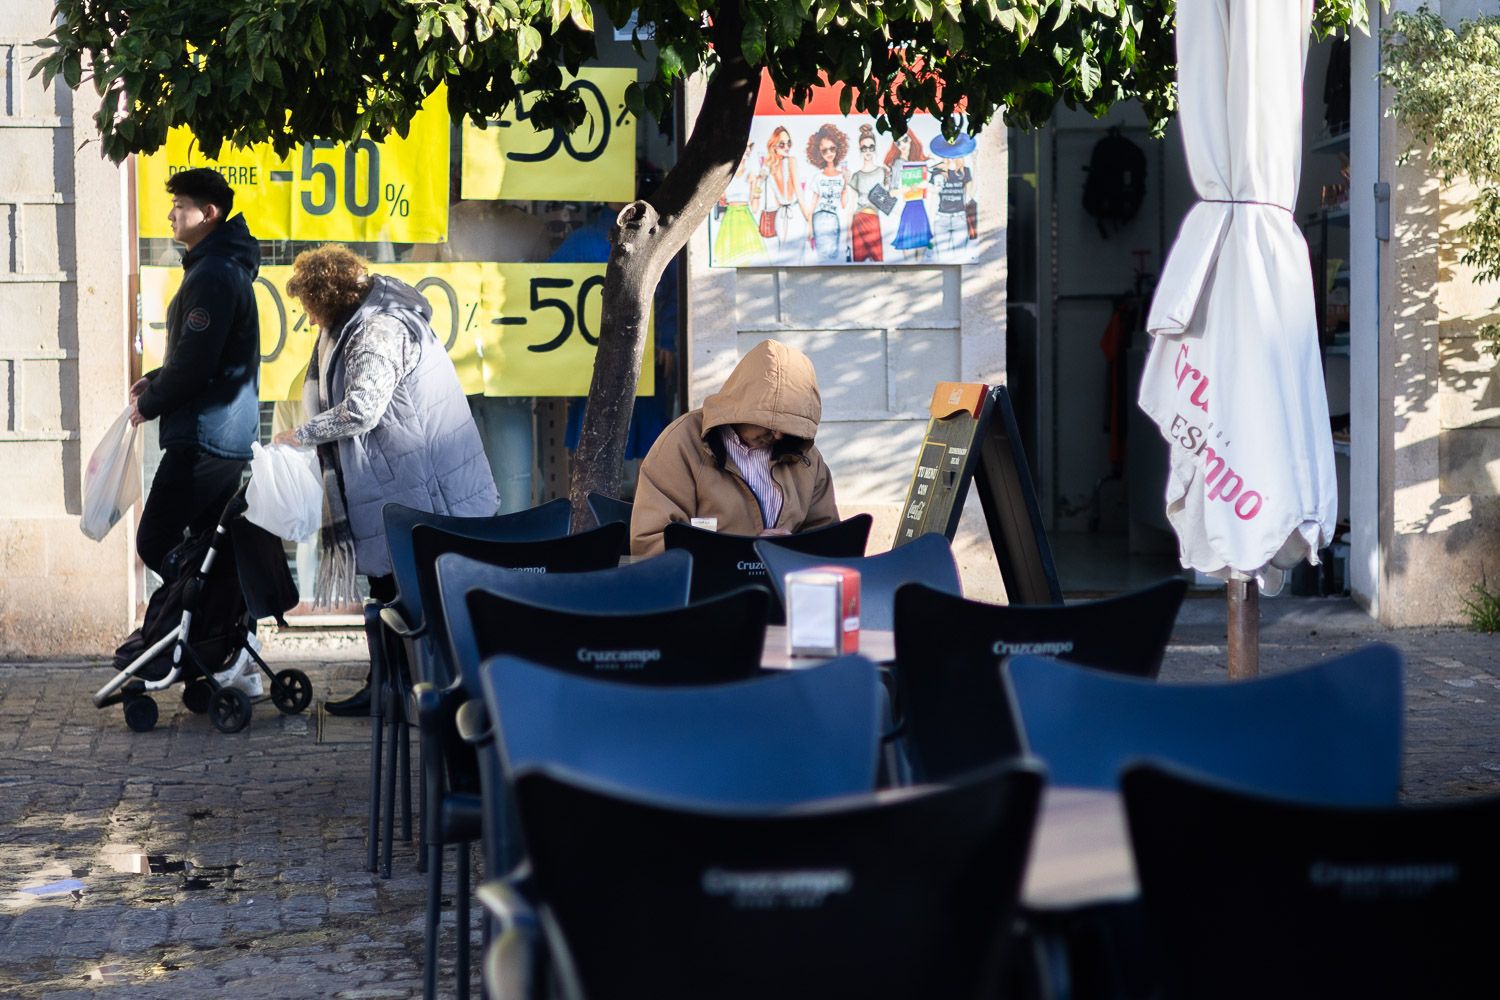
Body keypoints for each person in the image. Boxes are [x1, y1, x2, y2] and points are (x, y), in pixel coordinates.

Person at [272, 245, 498, 714]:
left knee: (406, 593)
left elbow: (362, 408)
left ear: (329, 299)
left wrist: (304, 434)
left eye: (310, 308)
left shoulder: (377, 330)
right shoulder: (363, 319)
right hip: (403, 477)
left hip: (422, 483)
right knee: (391, 590)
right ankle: (389, 687)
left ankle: (406, 692)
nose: (310, 320)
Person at [130, 168, 262, 580]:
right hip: (221, 435)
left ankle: (201, 619)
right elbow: (204, 350)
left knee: (155, 540)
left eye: (179, 206)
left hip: (206, 436)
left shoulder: (213, 274)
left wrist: (148, 404)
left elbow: (196, 362)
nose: (171, 214)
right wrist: (156, 376)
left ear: (208, 213)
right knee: (208, 547)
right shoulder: (214, 267)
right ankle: (211, 637)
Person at [630, 339, 839, 557]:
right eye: (771, 424)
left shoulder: (803, 454)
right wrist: (741, 553)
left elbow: (826, 535)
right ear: (741, 408)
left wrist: (793, 547)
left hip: (784, 583)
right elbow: (651, 540)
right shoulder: (682, 442)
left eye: (789, 426)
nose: (778, 435)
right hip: (708, 587)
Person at [805, 123, 851, 262]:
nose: (829, 153)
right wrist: (809, 227)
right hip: (819, 218)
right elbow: (813, 204)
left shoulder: (842, 175)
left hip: (834, 219)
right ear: (818, 153)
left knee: (833, 255)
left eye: (832, 149)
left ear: (838, 148)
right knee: (821, 257)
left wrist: (846, 182)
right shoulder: (818, 176)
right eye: (824, 151)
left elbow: (843, 204)